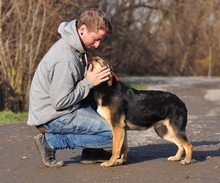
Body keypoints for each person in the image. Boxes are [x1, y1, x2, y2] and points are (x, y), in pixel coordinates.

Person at [27, 9, 113, 168]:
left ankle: (92, 152)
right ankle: (52, 141)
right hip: (52, 116)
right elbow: (60, 102)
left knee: (104, 109)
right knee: (114, 133)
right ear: (82, 30)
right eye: (96, 39)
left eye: (100, 40)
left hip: (62, 108)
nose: (97, 45)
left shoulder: (74, 47)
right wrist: (89, 82)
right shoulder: (66, 59)